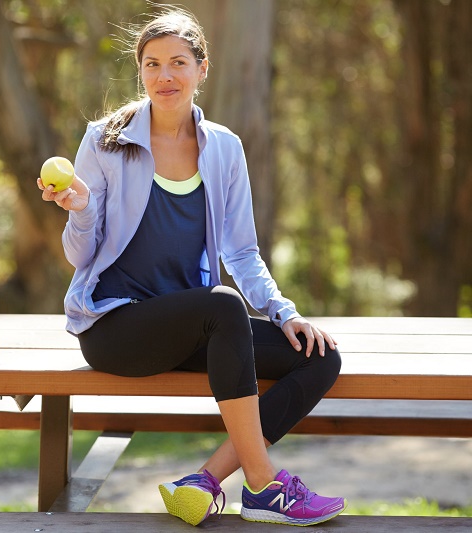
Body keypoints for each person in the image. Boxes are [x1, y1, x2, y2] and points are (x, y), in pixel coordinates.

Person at [37, 7, 346, 528]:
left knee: (318, 356)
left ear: (202, 70)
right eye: (152, 64)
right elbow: (79, 257)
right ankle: (265, 484)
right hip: (116, 326)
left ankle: (204, 480)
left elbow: (241, 252)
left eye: (178, 62)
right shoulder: (105, 140)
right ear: (140, 72)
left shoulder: (224, 148)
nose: (164, 76)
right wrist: (83, 209)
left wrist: (282, 311)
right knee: (222, 307)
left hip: (194, 325)